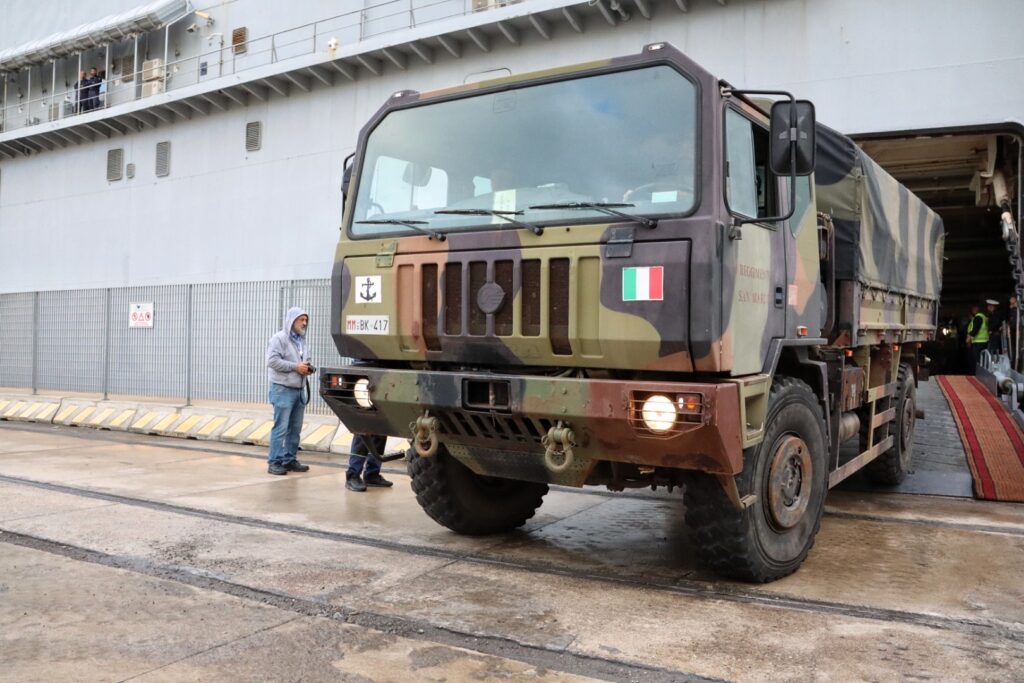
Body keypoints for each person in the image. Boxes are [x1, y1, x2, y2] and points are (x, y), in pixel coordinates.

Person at [265, 306, 315, 475]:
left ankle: (289, 459)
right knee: (281, 428)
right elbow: (272, 361)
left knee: (295, 428)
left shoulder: (301, 340)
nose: (304, 323)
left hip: (299, 390)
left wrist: (307, 368)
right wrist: (295, 367)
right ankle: (274, 462)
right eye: (301, 319)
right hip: (283, 389)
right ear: (292, 321)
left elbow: (304, 361)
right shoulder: (279, 339)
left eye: (306, 320)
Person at [966, 300, 996, 374]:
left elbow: (975, 329)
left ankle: (978, 375)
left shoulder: (978, 317)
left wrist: (969, 337)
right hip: (984, 341)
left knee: (977, 361)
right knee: (982, 360)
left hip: (978, 342)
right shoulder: (984, 317)